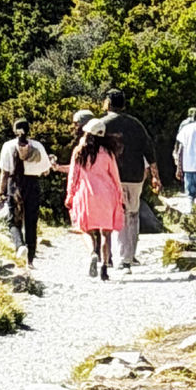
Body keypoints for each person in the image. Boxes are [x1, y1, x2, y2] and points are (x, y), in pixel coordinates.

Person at [94, 88, 160, 273]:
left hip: (111, 176)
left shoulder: (102, 124)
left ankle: (117, 257)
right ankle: (128, 256)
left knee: (117, 215)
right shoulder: (135, 124)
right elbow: (149, 149)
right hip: (135, 175)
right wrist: (155, 175)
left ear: (108, 103)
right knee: (133, 214)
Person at [66, 118, 126, 280]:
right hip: (107, 195)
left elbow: (73, 176)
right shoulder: (108, 153)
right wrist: (120, 197)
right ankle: (104, 267)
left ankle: (93, 253)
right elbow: (115, 177)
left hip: (85, 195)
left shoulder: (79, 152)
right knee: (106, 233)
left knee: (85, 229)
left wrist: (70, 194)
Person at [0, 118, 52, 267]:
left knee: (14, 220)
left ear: (15, 130)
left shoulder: (8, 146)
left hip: (15, 184)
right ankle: (30, 260)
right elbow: (45, 170)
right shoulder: (38, 146)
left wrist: (0, 193)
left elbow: (4, 172)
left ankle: (19, 245)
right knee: (31, 221)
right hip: (33, 184)